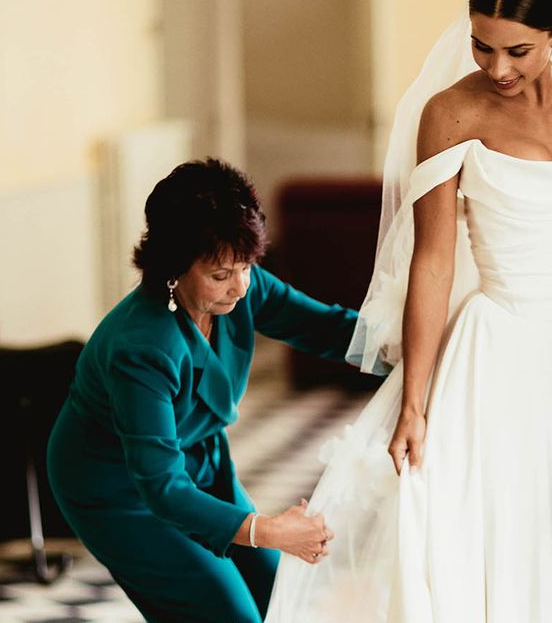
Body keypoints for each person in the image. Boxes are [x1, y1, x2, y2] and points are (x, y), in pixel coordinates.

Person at [266, 0, 552, 623]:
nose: (496, 68)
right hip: (495, 353)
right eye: (482, 46)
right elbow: (433, 262)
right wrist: (414, 405)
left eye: (517, 50)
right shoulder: (450, 114)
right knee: (486, 534)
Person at [47, 158, 356, 623]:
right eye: (220, 275)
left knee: (276, 596)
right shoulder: (140, 347)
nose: (240, 286)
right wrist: (268, 529)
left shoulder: (240, 284)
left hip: (197, 460)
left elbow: (329, 329)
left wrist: (421, 343)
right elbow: (163, 487)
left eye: (247, 266)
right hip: (119, 486)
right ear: (174, 267)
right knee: (224, 611)